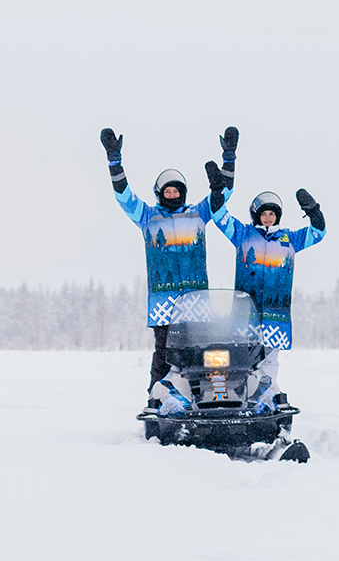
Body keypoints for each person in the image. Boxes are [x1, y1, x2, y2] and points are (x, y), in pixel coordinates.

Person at [100, 125, 237, 390]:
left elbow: (222, 195)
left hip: (196, 299)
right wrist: (114, 162)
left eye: (176, 191)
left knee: (201, 353)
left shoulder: (198, 213)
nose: (172, 195)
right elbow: (124, 198)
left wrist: (229, 158)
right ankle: (157, 396)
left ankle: (203, 396)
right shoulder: (148, 216)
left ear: (183, 193)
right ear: (160, 193)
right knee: (164, 355)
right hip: (164, 302)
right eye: (167, 191)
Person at [207, 183, 326, 412]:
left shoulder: (289, 239)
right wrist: (216, 189)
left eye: (272, 214)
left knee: (270, 361)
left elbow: (318, 232)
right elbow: (219, 215)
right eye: (264, 213)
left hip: (275, 313)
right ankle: (238, 399)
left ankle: (265, 400)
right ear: (256, 215)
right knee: (242, 359)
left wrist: (313, 210)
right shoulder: (242, 234)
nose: (268, 218)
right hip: (245, 313)